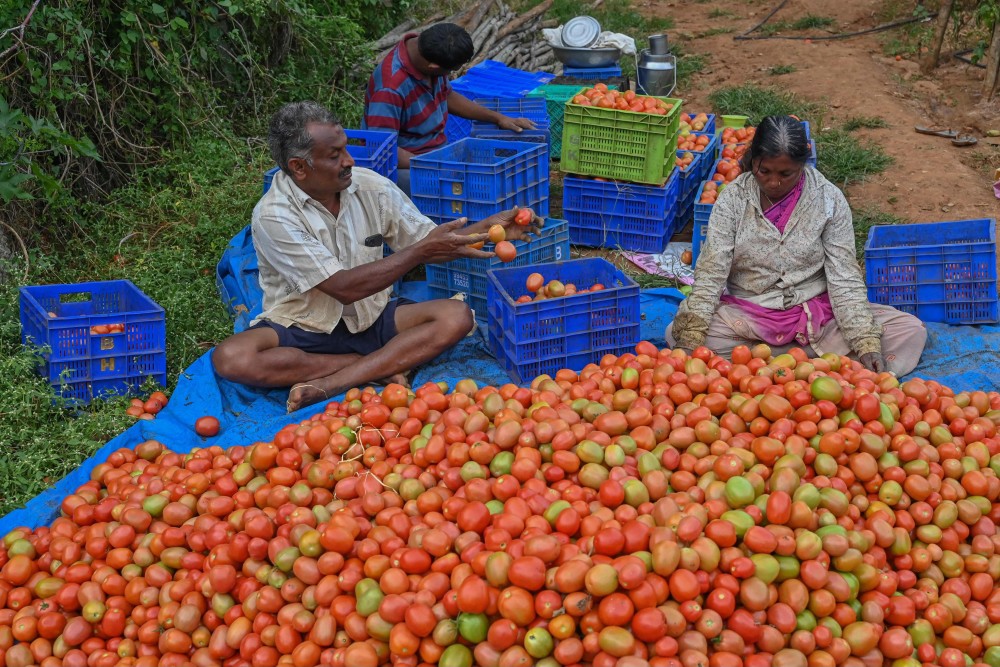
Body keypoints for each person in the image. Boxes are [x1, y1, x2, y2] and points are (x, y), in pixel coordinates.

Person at [212, 101, 541, 412]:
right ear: (299, 167)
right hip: (304, 325)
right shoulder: (275, 215)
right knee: (232, 358)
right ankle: (373, 366)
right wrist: (420, 252)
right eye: (335, 155)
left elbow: (428, 241)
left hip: (371, 316)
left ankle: (336, 381)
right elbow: (344, 288)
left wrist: (489, 228)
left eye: (346, 149)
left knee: (457, 316)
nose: (350, 161)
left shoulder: (370, 187)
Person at [668, 115, 927, 375]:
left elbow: (844, 276)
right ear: (753, 160)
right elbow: (712, 273)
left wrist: (865, 342)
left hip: (817, 316)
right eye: (764, 171)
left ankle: (768, 364)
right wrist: (691, 336)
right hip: (751, 315)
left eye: (786, 174)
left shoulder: (828, 199)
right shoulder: (733, 200)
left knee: (908, 330)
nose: (773, 182)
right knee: (677, 334)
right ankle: (814, 364)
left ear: (803, 165)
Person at [362, 23, 537, 194]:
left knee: (487, 180)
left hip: (435, 153)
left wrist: (498, 118)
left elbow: (447, 96)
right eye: (450, 71)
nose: (449, 76)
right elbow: (382, 149)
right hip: (403, 166)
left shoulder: (428, 50)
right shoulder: (390, 88)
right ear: (433, 67)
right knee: (462, 190)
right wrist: (434, 165)